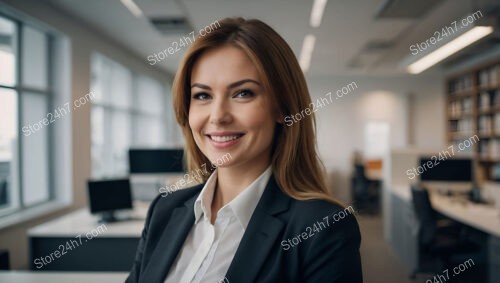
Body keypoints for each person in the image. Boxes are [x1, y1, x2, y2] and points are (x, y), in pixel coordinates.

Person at [126, 17, 362, 283]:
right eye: (203, 95)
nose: (218, 116)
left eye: (243, 93)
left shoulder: (323, 227)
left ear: (283, 108)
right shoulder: (164, 209)